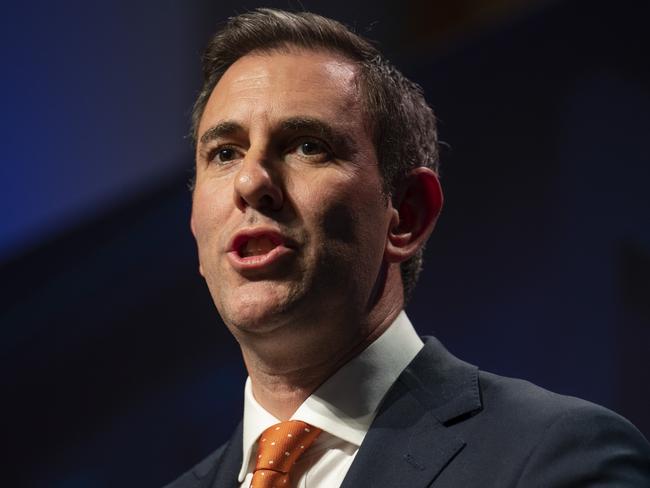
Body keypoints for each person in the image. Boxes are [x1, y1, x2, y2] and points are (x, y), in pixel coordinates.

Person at [166, 8, 650, 488]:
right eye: (225, 153)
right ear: (195, 223)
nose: (251, 180)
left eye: (307, 146)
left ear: (407, 215)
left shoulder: (556, 458)